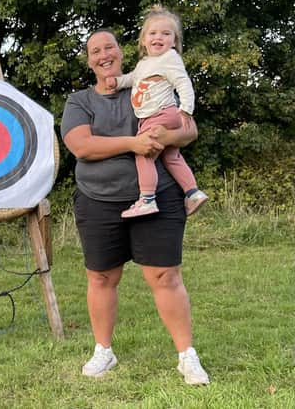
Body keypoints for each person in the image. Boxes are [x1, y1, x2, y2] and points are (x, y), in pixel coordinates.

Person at [60, 28, 210, 385]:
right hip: (97, 200)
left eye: (109, 47)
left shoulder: (148, 83)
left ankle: (187, 357)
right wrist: (135, 143)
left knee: (165, 276)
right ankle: (103, 352)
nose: (103, 55)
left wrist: (166, 137)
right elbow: (82, 146)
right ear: (89, 60)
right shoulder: (80, 101)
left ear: (121, 52)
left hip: (158, 198)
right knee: (101, 277)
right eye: (95, 50)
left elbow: (188, 130)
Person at [105, 6, 208, 218]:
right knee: (172, 156)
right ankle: (193, 192)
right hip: (159, 115)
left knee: (144, 154)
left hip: (160, 114)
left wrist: (186, 109)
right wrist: (118, 81)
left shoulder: (170, 58)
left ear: (174, 41)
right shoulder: (145, 63)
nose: (158, 37)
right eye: (153, 33)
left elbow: (184, 83)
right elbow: (133, 78)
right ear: (143, 40)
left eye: (166, 33)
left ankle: (147, 199)